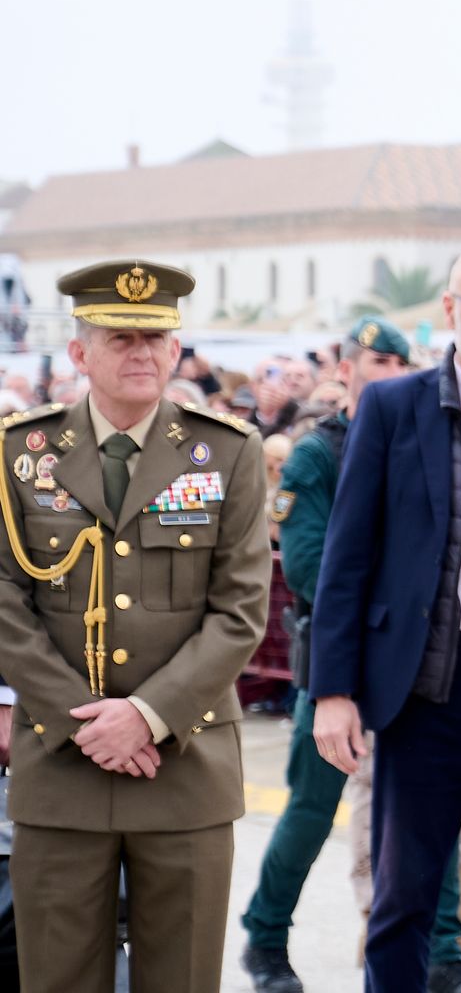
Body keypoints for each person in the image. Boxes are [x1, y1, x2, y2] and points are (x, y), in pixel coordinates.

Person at [0, 260, 270, 993]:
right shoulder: (19, 455)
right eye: (120, 338)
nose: (141, 352)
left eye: (155, 338)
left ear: (176, 350)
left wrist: (146, 717)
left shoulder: (228, 452)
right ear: (79, 352)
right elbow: (5, 603)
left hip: (184, 768)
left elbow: (241, 610)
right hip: (61, 770)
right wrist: (83, 721)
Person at [308, 244, 461, 992]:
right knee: (402, 900)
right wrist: (333, 690)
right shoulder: (393, 408)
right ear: (450, 310)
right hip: (424, 691)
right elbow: (347, 557)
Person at [236, 317, 461, 993]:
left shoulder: (429, 439)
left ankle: (442, 951)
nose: (390, 375)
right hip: (340, 662)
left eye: (399, 364)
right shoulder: (318, 454)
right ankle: (266, 938)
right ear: (346, 371)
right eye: (376, 362)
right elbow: (310, 567)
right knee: (312, 812)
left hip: (417, 663)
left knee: (430, 811)